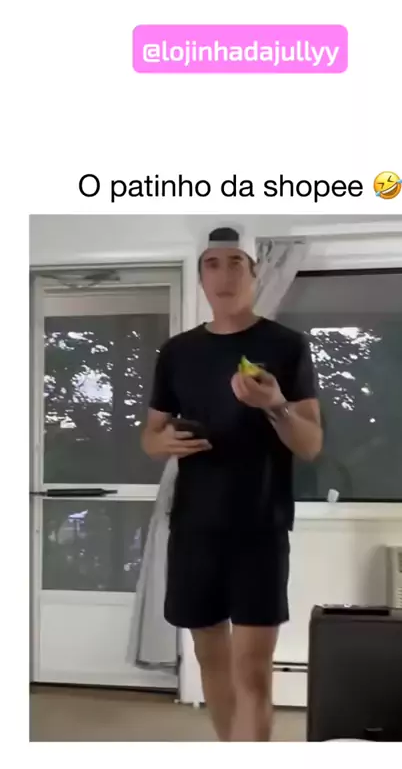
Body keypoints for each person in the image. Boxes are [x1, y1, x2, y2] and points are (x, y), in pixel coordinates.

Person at [142, 225, 323, 741]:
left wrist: (275, 405)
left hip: (259, 527)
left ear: (254, 273)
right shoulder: (177, 352)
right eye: (212, 264)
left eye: (235, 263)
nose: (224, 275)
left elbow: (310, 443)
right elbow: (150, 437)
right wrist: (164, 443)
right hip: (194, 526)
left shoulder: (285, 346)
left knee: (252, 671)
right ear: (201, 276)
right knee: (212, 663)